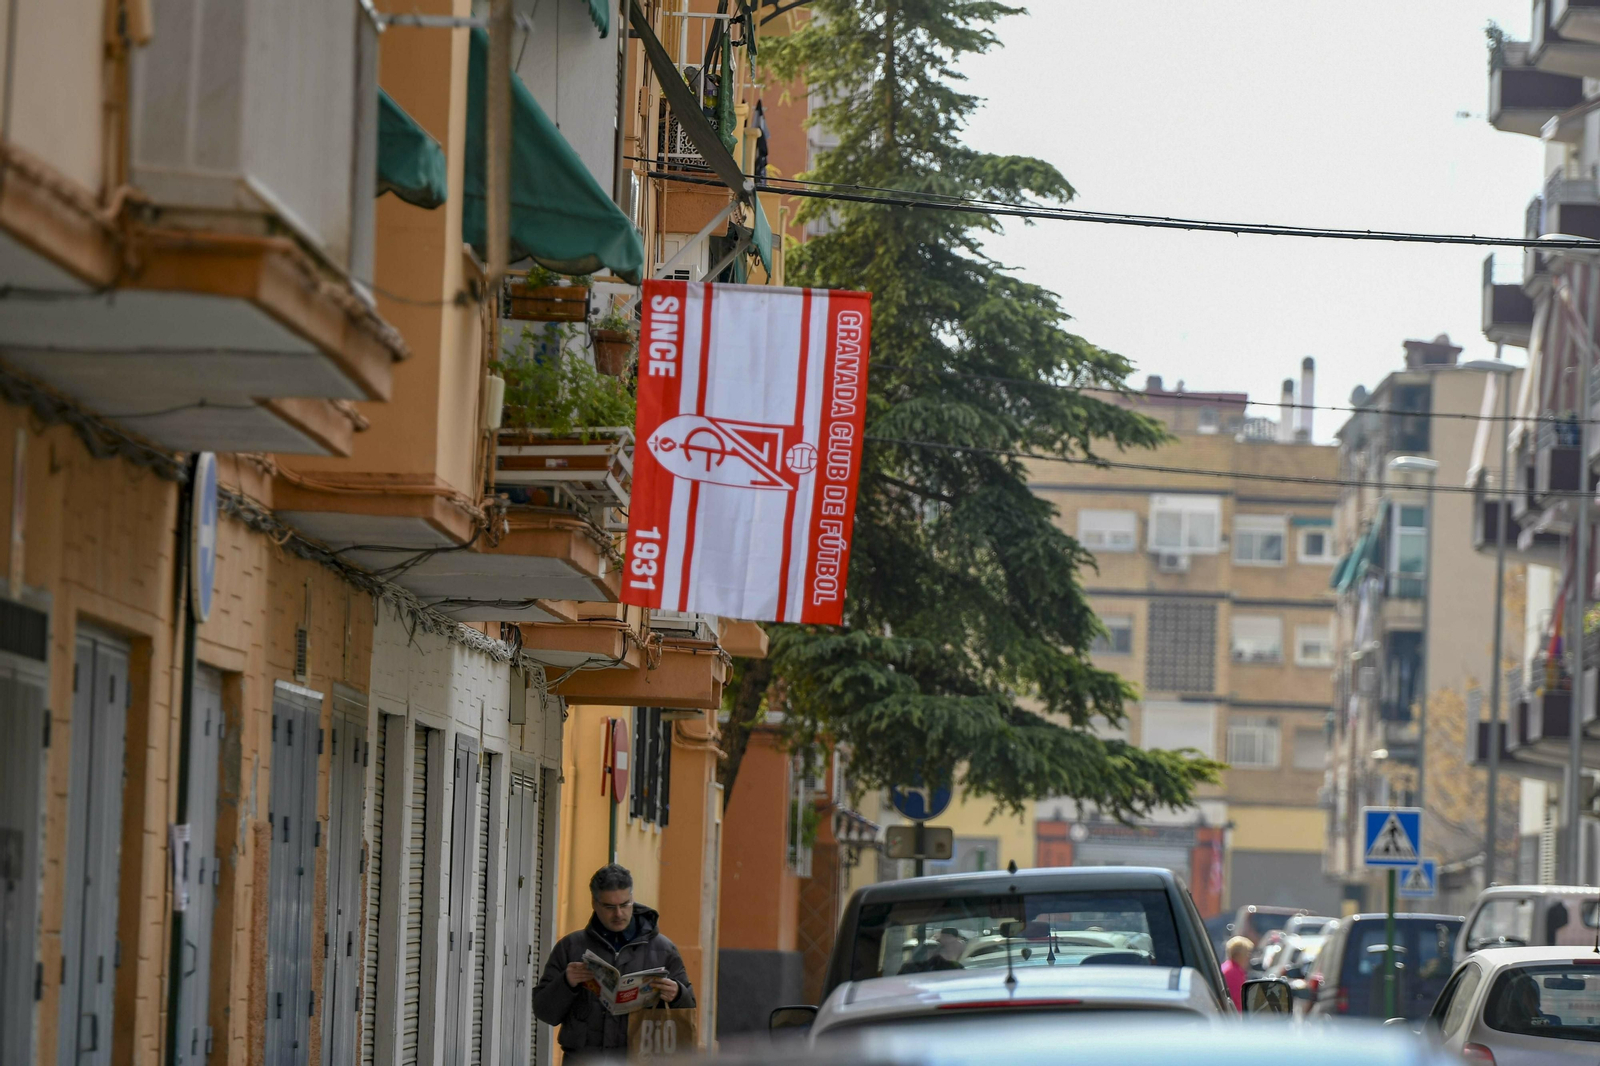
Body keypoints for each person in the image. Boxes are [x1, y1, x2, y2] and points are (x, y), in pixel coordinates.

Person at [533, 863, 695, 1060]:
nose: (618, 914)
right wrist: (566, 982)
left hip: (641, 1060)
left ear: (632, 899)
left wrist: (677, 993)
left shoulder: (663, 949)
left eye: (625, 904)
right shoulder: (571, 947)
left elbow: (688, 1010)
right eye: (609, 907)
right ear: (594, 902)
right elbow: (544, 1012)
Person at [1221, 936, 1253, 1010]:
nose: (1248, 958)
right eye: (1247, 954)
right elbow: (1239, 1001)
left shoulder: (1227, 967)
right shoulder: (1233, 973)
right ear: (1238, 955)